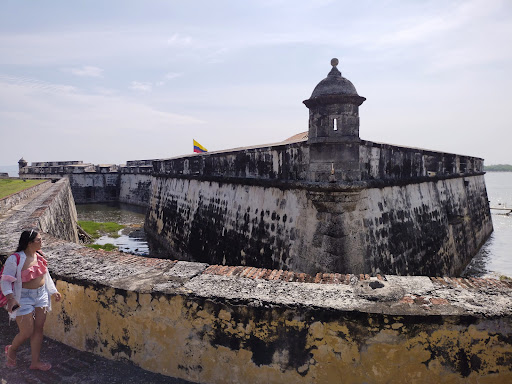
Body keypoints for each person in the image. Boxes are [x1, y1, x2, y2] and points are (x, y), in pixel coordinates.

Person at [1, 229, 61, 370]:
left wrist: (53, 291)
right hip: (23, 297)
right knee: (27, 331)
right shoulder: (15, 259)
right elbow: (5, 281)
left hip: (41, 295)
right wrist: (10, 298)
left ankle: (35, 362)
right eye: (39, 240)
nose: (42, 242)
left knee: (38, 329)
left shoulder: (39, 255)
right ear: (29, 243)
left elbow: (45, 275)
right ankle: (12, 350)